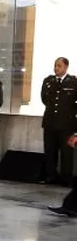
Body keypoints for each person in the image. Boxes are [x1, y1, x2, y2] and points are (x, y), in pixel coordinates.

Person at [40, 57, 77, 185]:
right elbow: (44, 99)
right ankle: (51, 175)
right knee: (50, 150)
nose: (56, 68)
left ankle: (66, 177)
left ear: (66, 67)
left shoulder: (73, 82)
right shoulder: (48, 81)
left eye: (59, 66)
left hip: (66, 123)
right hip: (50, 122)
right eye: (55, 65)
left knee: (66, 152)